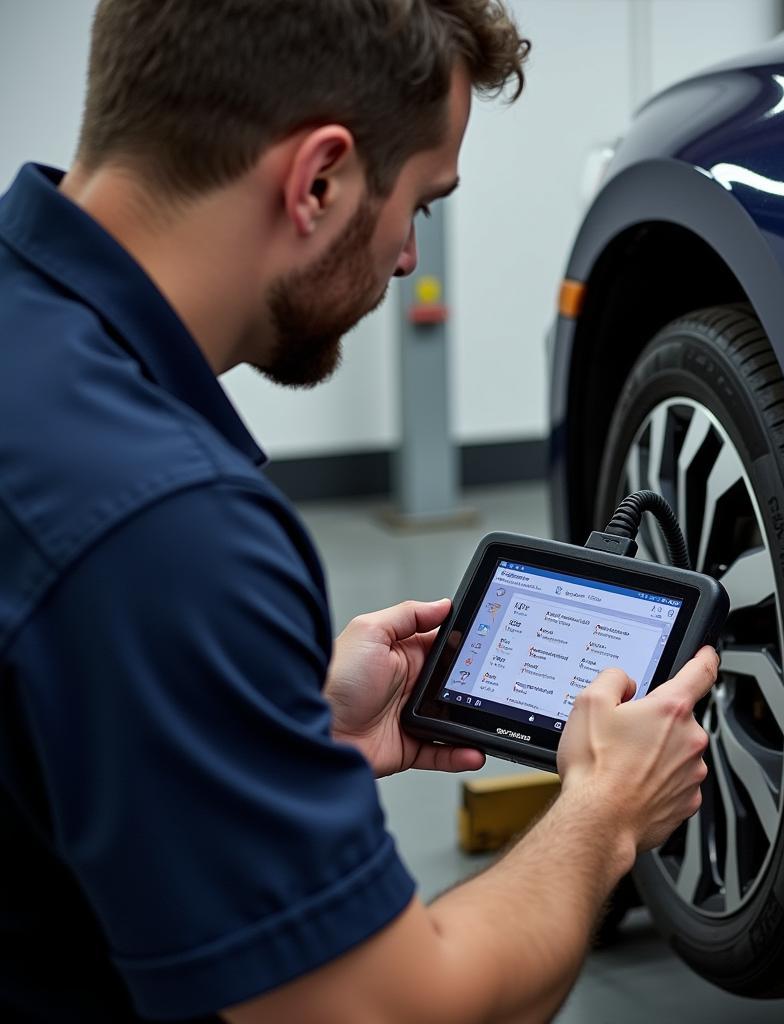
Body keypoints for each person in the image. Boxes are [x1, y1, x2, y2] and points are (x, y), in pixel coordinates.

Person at [0, 1, 718, 1021]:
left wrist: (283, 730)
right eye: (421, 203)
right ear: (320, 180)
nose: (406, 258)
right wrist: (604, 811)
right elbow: (384, 1011)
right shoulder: (162, 528)